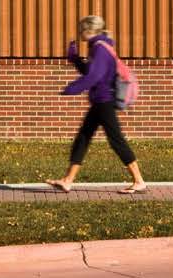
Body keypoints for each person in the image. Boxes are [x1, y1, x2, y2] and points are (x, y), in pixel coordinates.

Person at [46, 15, 147, 194]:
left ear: (89, 30)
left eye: (81, 30)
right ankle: (68, 180)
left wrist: (72, 88)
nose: (79, 34)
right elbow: (90, 71)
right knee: (83, 138)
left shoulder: (100, 49)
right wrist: (76, 59)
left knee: (116, 140)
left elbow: (94, 76)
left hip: (104, 101)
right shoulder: (98, 47)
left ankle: (139, 181)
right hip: (99, 101)